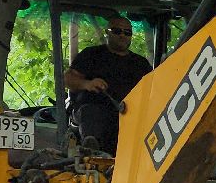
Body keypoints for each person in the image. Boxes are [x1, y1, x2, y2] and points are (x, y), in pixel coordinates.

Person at [63, 15, 152, 151]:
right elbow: (68, 79)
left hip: (130, 117)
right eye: (117, 31)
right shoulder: (92, 55)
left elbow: (153, 90)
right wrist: (87, 84)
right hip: (95, 113)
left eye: (127, 32)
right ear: (107, 32)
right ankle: (91, 149)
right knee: (92, 112)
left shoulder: (141, 64)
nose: (122, 35)